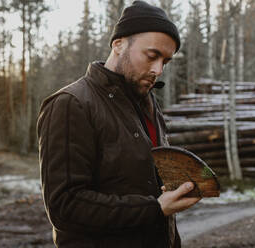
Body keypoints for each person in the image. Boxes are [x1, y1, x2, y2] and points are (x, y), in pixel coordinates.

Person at [37, 1, 201, 247]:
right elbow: (65, 206)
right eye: (152, 55)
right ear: (118, 44)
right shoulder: (71, 103)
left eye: (165, 62)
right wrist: (154, 208)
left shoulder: (148, 104)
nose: (158, 70)